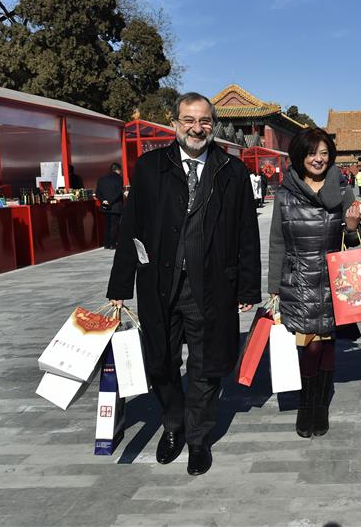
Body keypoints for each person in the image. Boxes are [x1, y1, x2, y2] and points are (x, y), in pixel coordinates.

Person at [106, 92, 261, 476]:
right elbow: (131, 228)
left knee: (206, 367)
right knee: (160, 362)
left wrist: (248, 287)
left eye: (204, 121)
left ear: (213, 125)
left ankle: (197, 438)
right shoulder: (150, 167)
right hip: (159, 283)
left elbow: (246, 233)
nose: (197, 128)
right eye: (189, 120)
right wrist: (119, 285)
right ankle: (173, 423)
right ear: (175, 122)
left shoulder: (231, 171)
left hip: (212, 285)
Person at [267, 127, 361, 438]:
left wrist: (351, 226)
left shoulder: (343, 190)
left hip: (335, 278)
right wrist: (273, 287)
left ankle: (320, 406)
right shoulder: (285, 194)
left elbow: (355, 241)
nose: (318, 159)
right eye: (312, 153)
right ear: (300, 156)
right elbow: (277, 242)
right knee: (307, 344)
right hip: (299, 278)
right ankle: (306, 404)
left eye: (324, 153)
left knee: (328, 342)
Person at [95, 163, 124, 249]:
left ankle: (106, 244)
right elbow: (118, 193)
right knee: (114, 225)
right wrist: (110, 201)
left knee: (107, 225)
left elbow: (97, 193)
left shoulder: (102, 179)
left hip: (104, 206)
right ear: (118, 170)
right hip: (115, 206)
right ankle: (112, 243)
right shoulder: (119, 178)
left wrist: (103, 201)